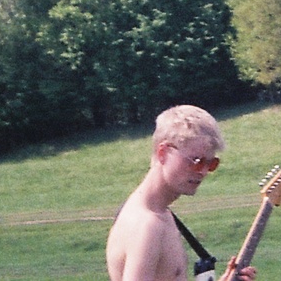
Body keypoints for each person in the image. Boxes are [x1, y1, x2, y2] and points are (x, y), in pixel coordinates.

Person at [107, 105, 258, 281]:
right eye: (196, 161)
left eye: (211, 163)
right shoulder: (147, 225)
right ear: (163, 152)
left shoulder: (161, 213)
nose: (202, 171)